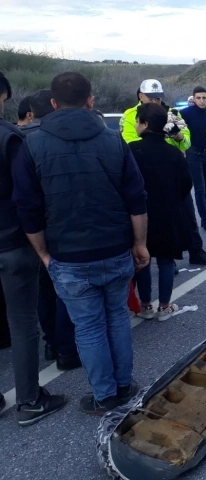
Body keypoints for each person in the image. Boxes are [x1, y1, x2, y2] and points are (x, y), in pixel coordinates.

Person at [12, 71, 149, 415]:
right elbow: (136, 198)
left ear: (53, 104)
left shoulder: (32, 144)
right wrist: (140, 243)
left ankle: (104, 397)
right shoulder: (113, 139)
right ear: (91, 100)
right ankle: (124, 386)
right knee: (117, 317)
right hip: (115, 248)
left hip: (67, 255)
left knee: (88, 326)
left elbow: (28, 208)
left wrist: (43, 253)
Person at [0, 71, 68, 425]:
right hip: (12, 244)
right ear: (6, 95)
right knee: (23, 323)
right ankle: (30, 400)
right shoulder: (9, 138)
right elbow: (27, 195)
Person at [120, 79, 206, 266]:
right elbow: (129, 144)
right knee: (150, 216)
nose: (155, 101)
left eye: (158, 98)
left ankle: (196, 250)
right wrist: (156, 138)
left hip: (171, 170)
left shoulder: (172, 114)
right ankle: (162, 258)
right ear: (141, 96)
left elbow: (187, 142)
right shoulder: (131, 115)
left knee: (187, 212)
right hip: (146, 172)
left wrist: (178, 136)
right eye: (151, 97)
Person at [19, 88, 80, 371]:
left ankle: (51, 342)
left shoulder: (20, 138)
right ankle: (66, 348)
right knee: (63, 289)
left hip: (26, 229)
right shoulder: (52, 140)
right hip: (57, 225)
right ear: (55, 106)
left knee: (44, 290)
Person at [130, 103, 193, 321]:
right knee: (166, 260)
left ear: (145, 124)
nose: (136, 124)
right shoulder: (173, 153)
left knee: (142, 259)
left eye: (138, 121)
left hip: (139, 214)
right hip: (168, 213)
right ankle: (164, 307)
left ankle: (145, 305)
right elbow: (186, 182)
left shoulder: (132, 149)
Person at [180, 86, 206, 232]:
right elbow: (179, 131)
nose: (201, 101)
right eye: (198, 98)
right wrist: (182, 149)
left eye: (204, 98)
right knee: (200, 188)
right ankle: (204, 218)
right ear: (193, 98)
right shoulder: (185, 113)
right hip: (193, 154)